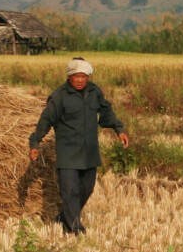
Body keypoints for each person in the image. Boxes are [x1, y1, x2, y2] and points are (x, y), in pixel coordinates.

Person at [29, 57, 129, 234]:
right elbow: (46, 119)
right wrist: (35, 141)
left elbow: (106, 110)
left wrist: (118, 129)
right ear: (69, 77)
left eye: (84, 76)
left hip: (89, 153)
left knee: (87, 189)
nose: (81, 80)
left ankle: (63, 219)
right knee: (70, 192)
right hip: (68, 153)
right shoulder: (59, 96)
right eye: (77, 76)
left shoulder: (94, 92)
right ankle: (75, 228)